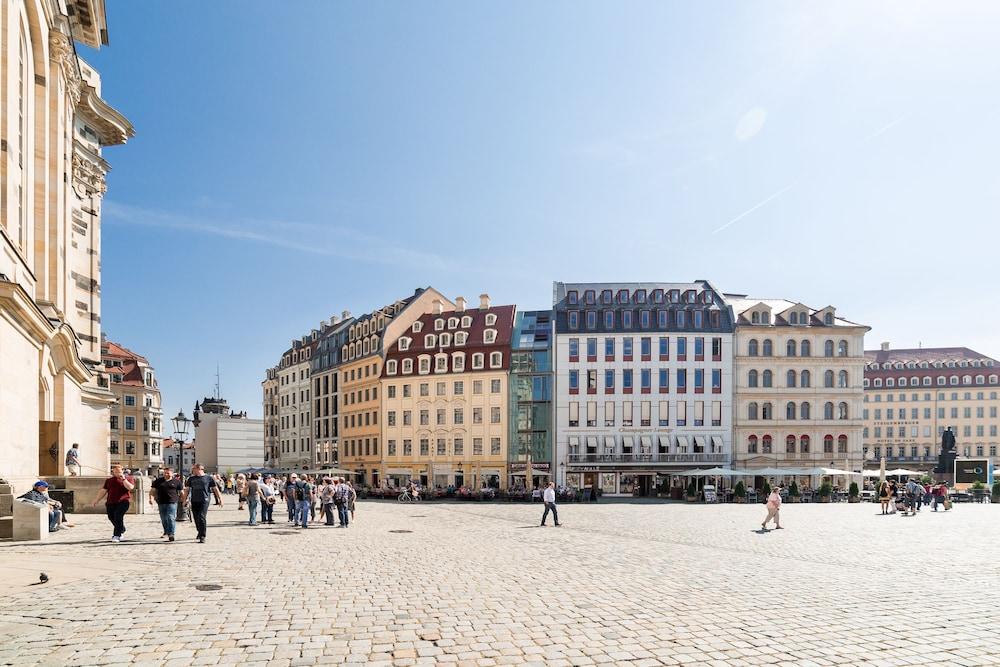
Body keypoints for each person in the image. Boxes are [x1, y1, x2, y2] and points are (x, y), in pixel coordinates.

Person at [91, 465, 135, 542]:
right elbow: (103, 491)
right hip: (110, 502)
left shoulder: (129, 478)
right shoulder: (109, 480)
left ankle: (116, 535)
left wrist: (123, 479)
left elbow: (130, 487)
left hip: (123, 501)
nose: (117, 473)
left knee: (118, 516)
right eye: (115, 471)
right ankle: (121, 528)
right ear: (113, 472)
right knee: (111, 517)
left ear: (122, 471)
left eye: (119, 471)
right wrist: (96, 500)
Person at [181, 464, 223, 543]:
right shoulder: (191, 479)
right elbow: (187, 490)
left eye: (193, 469)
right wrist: (184, 500)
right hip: (194, 500)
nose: (192, 470)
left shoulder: (209, 478)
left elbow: (215, 489)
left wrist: (220, 499)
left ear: (199, 469)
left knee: (201, 517)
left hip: (204, 500)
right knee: (196, 518)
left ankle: (203, 536)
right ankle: (199, 531)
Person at [149, 467, 183, 541]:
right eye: (165, 473)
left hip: (172, 502)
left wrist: (183, 500)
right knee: (164, 518)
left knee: (171, 517)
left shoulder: (177, 481)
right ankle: (166, 532)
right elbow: (153, 490)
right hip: (161, 502)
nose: (166, 474)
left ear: (172, 473)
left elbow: (181, 492)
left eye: (168, 473)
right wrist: (151, 498)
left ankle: (171, 533)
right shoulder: (158, 481)